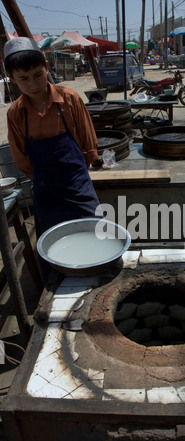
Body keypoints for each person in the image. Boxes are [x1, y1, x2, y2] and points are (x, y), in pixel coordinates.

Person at [4, 37, 101, 279]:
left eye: (38, 74)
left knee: (95, 235)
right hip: (45, 191)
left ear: (46, 66)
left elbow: (89, 146)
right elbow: (22, 159)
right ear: (12, 78)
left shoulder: (69, 99)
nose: (33, 84)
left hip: (78, 185)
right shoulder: (16, 113)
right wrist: (44, 179)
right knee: (53, 247)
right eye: (23, 78)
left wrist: (78, 172)